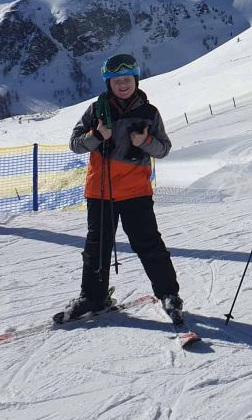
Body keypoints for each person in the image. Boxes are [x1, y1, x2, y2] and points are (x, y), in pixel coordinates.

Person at [59, 53, 183, 323]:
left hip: (136, 192)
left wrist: (144, 142)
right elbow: (75, 144)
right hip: (100, 192)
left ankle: (168, 294)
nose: (123, 85)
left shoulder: (149, 113)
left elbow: (163, 149)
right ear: (109, 84)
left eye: (127, 80)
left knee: (149, 244)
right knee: (97, 248)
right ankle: (93, 297)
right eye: (117, 81)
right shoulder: (95, 110)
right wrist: (96, 135)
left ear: (135, 80)